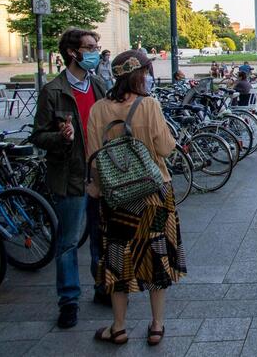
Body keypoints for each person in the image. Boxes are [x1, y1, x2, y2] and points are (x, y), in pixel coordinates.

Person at [85, 49, 185, 345]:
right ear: (139, 74)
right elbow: (166, 149)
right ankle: (156, 325)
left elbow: (93, 155)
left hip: (117, 198)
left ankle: (118, 327)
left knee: (117, 258)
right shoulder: (149, 105)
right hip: (154, 193)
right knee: (156, 255)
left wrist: (98, 188)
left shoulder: (99, 108)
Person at [30, 28, 108, 328]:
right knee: (68, 241)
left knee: (101, 236)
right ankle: (69, 301)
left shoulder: (98, 84)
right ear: (73, 52)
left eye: (95, 45)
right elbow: (38, 135)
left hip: (99, 173)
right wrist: (61, 138)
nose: (95, 51)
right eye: (90, 47)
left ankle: (102, 286)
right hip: (70, 177)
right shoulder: (53, 90)